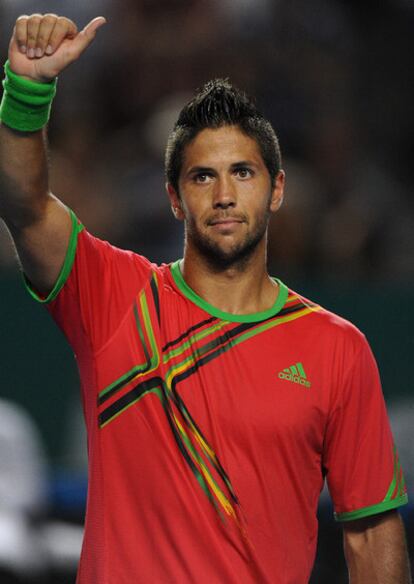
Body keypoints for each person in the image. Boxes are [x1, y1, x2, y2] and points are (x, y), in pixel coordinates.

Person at [0, 13, 411, 584]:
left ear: (277, 189)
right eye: (201, 177)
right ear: (173, 197)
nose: (223, 195)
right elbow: (24, 204)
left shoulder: (337, 349)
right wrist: (27, 88)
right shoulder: (113, 296)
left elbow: (370, 535)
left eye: (243, 172)